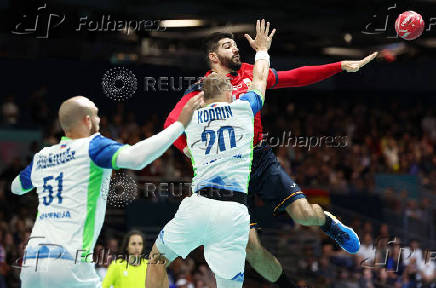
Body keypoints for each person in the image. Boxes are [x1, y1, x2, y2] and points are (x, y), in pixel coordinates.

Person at [164, 23, 375, 287]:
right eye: (227, 46)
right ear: (213, 57)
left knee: (303, 215)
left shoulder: (251, 74)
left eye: (235, 44)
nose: (236, 49)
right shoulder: (201, 89)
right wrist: (189, 151)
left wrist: (339, 66)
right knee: (251, 249)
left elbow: (295, 77)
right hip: (228, 175)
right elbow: (171, 124)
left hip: (259, 159)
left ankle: (328, 224)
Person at [11, 94, 203, 288]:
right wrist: (179, 124)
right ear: (87, 120)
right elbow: (138, 158)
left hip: (32, 261)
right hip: (69, 260)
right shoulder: (93, 146)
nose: (99, 120)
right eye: (95, 115)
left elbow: (16, 187)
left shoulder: (43, 156)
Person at [146, 19, 275, 288]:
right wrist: (262, 50)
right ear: (230, 93)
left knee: (157, 259)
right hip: (234, 213)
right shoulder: (242, 110)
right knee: (228, 283)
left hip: (199, 206)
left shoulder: (190, 122)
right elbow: (260, 79)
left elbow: (172, 124)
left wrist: (189, 150)